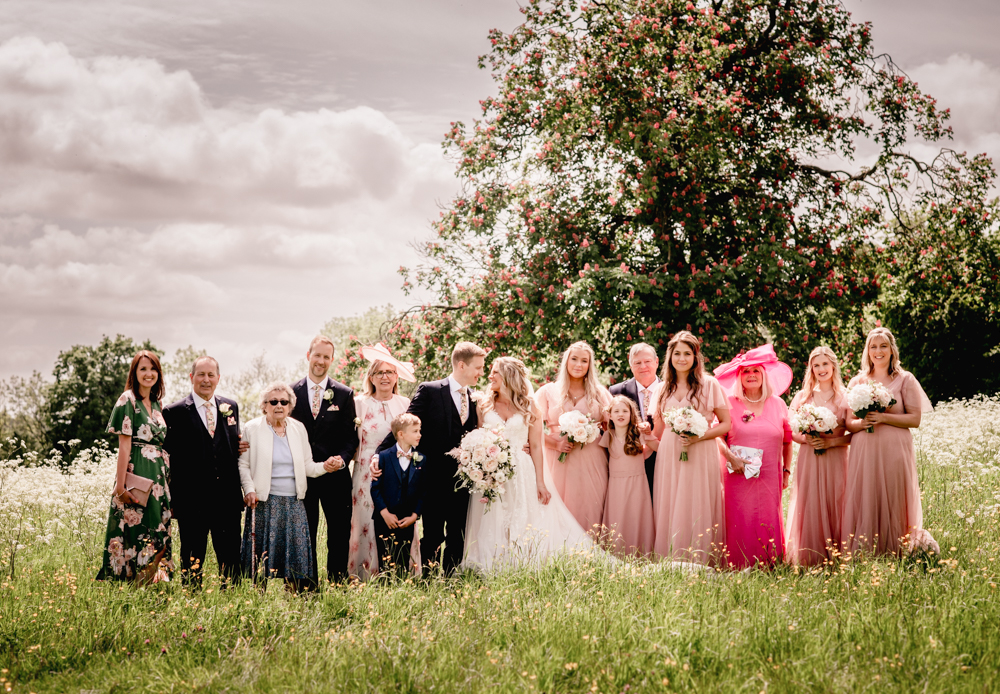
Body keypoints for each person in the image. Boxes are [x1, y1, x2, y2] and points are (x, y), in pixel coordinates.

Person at [462, 356, 593, 572]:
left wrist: (540, 482)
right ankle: (492, 561)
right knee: (493, 514)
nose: (490, 376)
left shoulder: (529, 405)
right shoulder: (484, 404)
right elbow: (479, 437)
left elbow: (536, 446)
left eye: (495, 372)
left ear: (508, 375)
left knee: (521, 513)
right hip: (491, 469)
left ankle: (522, 559)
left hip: (521, 469)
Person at [373, 341, 486, 574]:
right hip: (433, 479)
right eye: (478, 367)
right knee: (433, 534)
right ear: (462, 365)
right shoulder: (431, 390)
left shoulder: (476, 397)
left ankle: (451, 580)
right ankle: (428, 580)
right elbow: (403, 424)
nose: (481, 372)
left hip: (465, 480)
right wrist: (378, 455)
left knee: (458, 533)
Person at [842, 327, 936, 557]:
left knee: (894, 496)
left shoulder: (905, 379)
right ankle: (865, 552)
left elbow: (914, 419)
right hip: (864, 451)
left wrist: (883, 417)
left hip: (895, 450)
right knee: (866, 497)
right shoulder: (857, 381)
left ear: (892, 350)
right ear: (867, 351)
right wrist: (861, 424)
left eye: (883, 345)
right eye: (873, 346)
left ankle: (897, 550)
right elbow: (848, 422)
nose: (878, 351)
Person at [239, 383, 341, 591]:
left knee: (295, 562)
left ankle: (294, 605)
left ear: (290, 406)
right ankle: (257, 604)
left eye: (283, 402)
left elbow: (307, 466)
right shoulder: (252, 428)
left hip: (294, 504)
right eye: (273, 401)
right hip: (263, 502)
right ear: (264, 406)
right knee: (260, 563)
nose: (279, 405)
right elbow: (244, 464)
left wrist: (326, 467)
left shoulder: (298, 428)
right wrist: (249, 489)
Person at [162, 356, 244, 588]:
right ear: (191, 378)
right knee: (192, 556)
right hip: (192, 500)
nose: (206, 380)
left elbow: (231, 447)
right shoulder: (174, 411)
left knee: (230, 559)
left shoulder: (231, 407)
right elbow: (170, 459)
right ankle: (192, 603)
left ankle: (233, 603)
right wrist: (174, 499)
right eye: (201, 374)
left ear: (218, 378)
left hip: (227, 499)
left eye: (211, 375)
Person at [650, 331, 731, 565]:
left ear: (696, 357)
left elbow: (726, 423)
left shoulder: (709, 384)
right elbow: (658, 430)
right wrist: (644, 438)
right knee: (672, 499)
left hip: (701, 450)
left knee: (698, 499)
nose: (682, 358)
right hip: (669, 452)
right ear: (670, 357)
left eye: (688, 353)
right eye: (677, 353)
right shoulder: (662, 389)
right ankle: (672, 558)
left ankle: (701, 558)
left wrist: (699, 437)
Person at [97, 350, 173, 584]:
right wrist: (120, 486)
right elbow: (124, 447)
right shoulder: (127, 399)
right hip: (138, 475)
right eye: (143, 369)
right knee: (138, 532)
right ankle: (135, 587)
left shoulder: (158, 404)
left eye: (153, 369)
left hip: (159, 479)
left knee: (158, 532)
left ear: (158, 374)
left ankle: (151, 587)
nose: (148, 374)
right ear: (135, 372)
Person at [715, 345, 794, 569]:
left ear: (764, 375)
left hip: (770, 476)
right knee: (740, 518)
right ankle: (736, 564)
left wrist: (786, 470)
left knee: (768, 517)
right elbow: (717, 437)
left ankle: (770, 564)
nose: (751, 375)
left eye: (756, 371)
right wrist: (731, 458)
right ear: (739, 377)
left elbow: (788, 441)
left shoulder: (778, 404)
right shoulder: (729, 404)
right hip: (737, 474)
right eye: (746, 372)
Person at [289, 336, 358, 584]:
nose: (321, 361)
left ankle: (338, 582)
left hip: (335, 476)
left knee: (338, 533)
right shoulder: (290, 393)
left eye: (326, 357)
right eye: (317, 355)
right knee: (304, 533)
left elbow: (352, 437)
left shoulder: (344, 393)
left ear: (331, 360)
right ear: (308, 355)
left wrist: (342, 459)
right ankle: (305, 586)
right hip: (303, 476)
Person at [349, 344, 416, 580]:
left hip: (400, 471)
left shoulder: (406, 403)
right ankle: (365, 574)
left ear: (397, 376)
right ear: (371, 378)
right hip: (367, 470)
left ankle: (399, 572)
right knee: (367, 519)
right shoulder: (359, 403)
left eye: (390, 372)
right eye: (379, 372)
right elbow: (350, 439)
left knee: (397, 517)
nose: (385, 377)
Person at [535, 341, 612, 537]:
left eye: (584, 361)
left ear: (589, 365)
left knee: (591, 503)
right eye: (574, 359)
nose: (578, 364)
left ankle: (591, 552)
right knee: (559, 505)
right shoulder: (547, 392)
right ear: (566, 361)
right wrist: (555, 443)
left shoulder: (600, 393)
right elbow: (530, 429)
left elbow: (614, 427)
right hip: (556, 459)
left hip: (592, 460)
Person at [784, 346, 853, 567]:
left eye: (825, 364)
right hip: (809, 458)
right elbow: (792, 432)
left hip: (836, 458)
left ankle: (838, 557)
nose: (821, 369)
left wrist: (830, 442)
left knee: (837, 501)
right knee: (809, 502)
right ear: (811, 369)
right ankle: (809, 557)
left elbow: (854, 435)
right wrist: (806, 439)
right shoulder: (803, 398)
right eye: (816, 365)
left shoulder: (845, 398)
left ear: (833, 365)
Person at [600, 395, 657, 558]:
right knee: (618, 516)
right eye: (616, 411)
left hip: (637, 482)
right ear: (609, 415)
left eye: (625, 411)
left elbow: (657, 447)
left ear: (631, 414)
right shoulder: (607, 436)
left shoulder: (638, 433)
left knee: (636, 515)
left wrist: (648, 434)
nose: (621, 414)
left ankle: (640, 553)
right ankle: (617, 553)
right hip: (616, 484)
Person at [370, 413, 424, 576]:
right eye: (415, 431)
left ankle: (401, 591)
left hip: (406, 520)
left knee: (402, 559)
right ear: (401, 434)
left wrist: (415, 516)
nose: (419, 434)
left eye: (419, 430)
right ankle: (384, 591)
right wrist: (384, 513)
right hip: (384, 519)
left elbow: (423, 491)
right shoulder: (384, 457)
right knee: (385, 559)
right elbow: (375, 488)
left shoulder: (421, 459)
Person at [609, 343, 661, 498]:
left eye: (647, 361)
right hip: (630, 462)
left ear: (656, 362)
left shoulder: (670, 389)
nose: (643, 366)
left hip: (665, 458)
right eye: (637, 363)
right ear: (630, 365)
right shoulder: (616, 391)